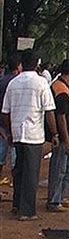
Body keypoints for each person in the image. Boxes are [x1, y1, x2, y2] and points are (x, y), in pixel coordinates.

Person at [1, 50, 58, 220]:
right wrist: (54, 133)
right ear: (37, 64)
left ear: (22, 64)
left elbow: (5, 112)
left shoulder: (13, 83)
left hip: (17, 132)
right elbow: (49, 112)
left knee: (18, 169)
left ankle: (17, 203)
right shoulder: (41, 83)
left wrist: (9, 132)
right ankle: (26, 211)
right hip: (34, 134)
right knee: (31, 172)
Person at [47, 59, 69, 212]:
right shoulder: (60, 90)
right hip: (64, 137)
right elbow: (61, 116)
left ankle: (58, 196)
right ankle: (54, 201)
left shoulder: (60, 86)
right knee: (61, 168)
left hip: (67, 136)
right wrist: (65, 140)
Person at [0, 54, 22, 185]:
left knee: (1, 159)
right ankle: (16, 185)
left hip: (2, 126)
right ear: (19, 66)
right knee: (16, 159)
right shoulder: (18, 82)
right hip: (15, 124)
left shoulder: (2, 81)